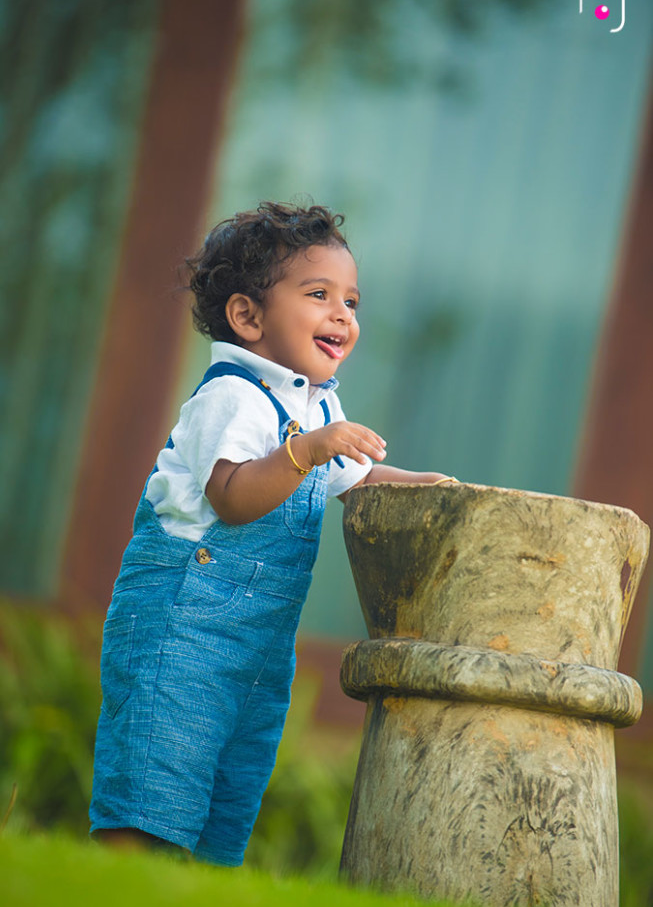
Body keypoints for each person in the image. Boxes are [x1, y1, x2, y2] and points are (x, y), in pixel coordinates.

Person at [89, 200, 456, 865]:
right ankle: (120, 877)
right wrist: (308, 449)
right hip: (182, 620)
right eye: (318, 295)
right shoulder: (231, 396)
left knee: (229, 781)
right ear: (247, 316)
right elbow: (232, 497)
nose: (342, 315)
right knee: (159, 766)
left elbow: (356, 480)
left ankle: (187, 905)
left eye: (351, 299)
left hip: (257, 640)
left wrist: (426, 484)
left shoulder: (315, 404)